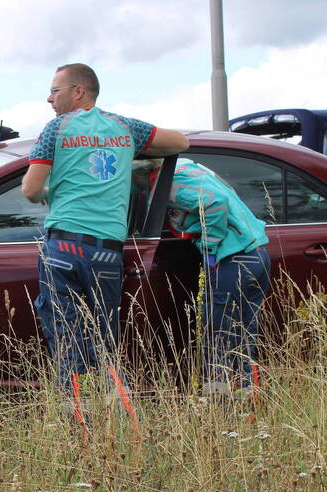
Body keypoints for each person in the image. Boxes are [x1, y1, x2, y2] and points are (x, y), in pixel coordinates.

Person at [20, 63, 189, 422]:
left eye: (55, 91)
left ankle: (75, 423)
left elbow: (30, 190)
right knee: (104, 342)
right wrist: (137, 158)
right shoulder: (124, 127)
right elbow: (181, 142)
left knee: (68, 338)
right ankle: (123, 420)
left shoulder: (56, 129)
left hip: (64, 246)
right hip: (108, 252)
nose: (49, 99)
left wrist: (53, 190)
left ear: (78, 91)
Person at [165, 158, 270, 398]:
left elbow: (216, 203)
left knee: (216, 333)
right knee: (245, 333)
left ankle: (218, 400)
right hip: (257, 253)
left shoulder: (169, 182)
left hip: (231, 257)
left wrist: (208, 246)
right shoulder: (193, 169)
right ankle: (248, 395)